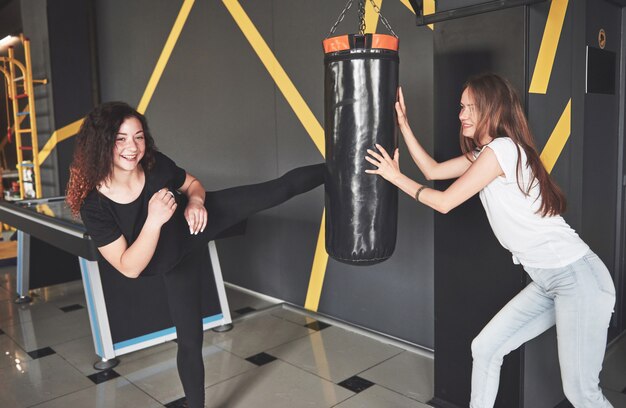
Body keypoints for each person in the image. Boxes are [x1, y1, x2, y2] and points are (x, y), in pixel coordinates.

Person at [365, 73, 615, 408]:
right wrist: (405, 125)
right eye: (461, 107)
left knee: (581, 393)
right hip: (548, 280)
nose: (461, 114)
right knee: (486, 348)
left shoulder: (502, 151)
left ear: (490, 109)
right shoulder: (489, 153)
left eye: (469, 107)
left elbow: (444, 202)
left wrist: (395, 177)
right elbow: (433, 171)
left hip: (576, 277)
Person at [65, 101, 324, 408]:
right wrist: (153, 219)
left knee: (278, 189)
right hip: (176, 260)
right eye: (120, 138)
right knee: (190, 341)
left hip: (200, 220)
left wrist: (196, 203)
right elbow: (129, 267)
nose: (132, 147)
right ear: (101, 142)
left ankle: (346, 165)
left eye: (138, 136)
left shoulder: (154, 164)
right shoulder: (95, 206)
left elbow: (192, 183)